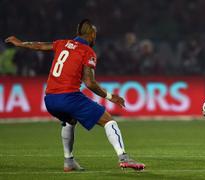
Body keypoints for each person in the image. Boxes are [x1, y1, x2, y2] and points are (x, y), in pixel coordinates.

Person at [5, 19, 145, 171]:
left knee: (70, 121)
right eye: (95, 34)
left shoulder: (62, 43)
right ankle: (123, 157)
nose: (95, 37)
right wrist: (111, 97)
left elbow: (38, 45)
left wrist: (20, 43)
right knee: (109, 120)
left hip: (50, 100)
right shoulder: (87, 52)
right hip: (68, 97)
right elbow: (89, 83)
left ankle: (68, 161)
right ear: (91, 34)